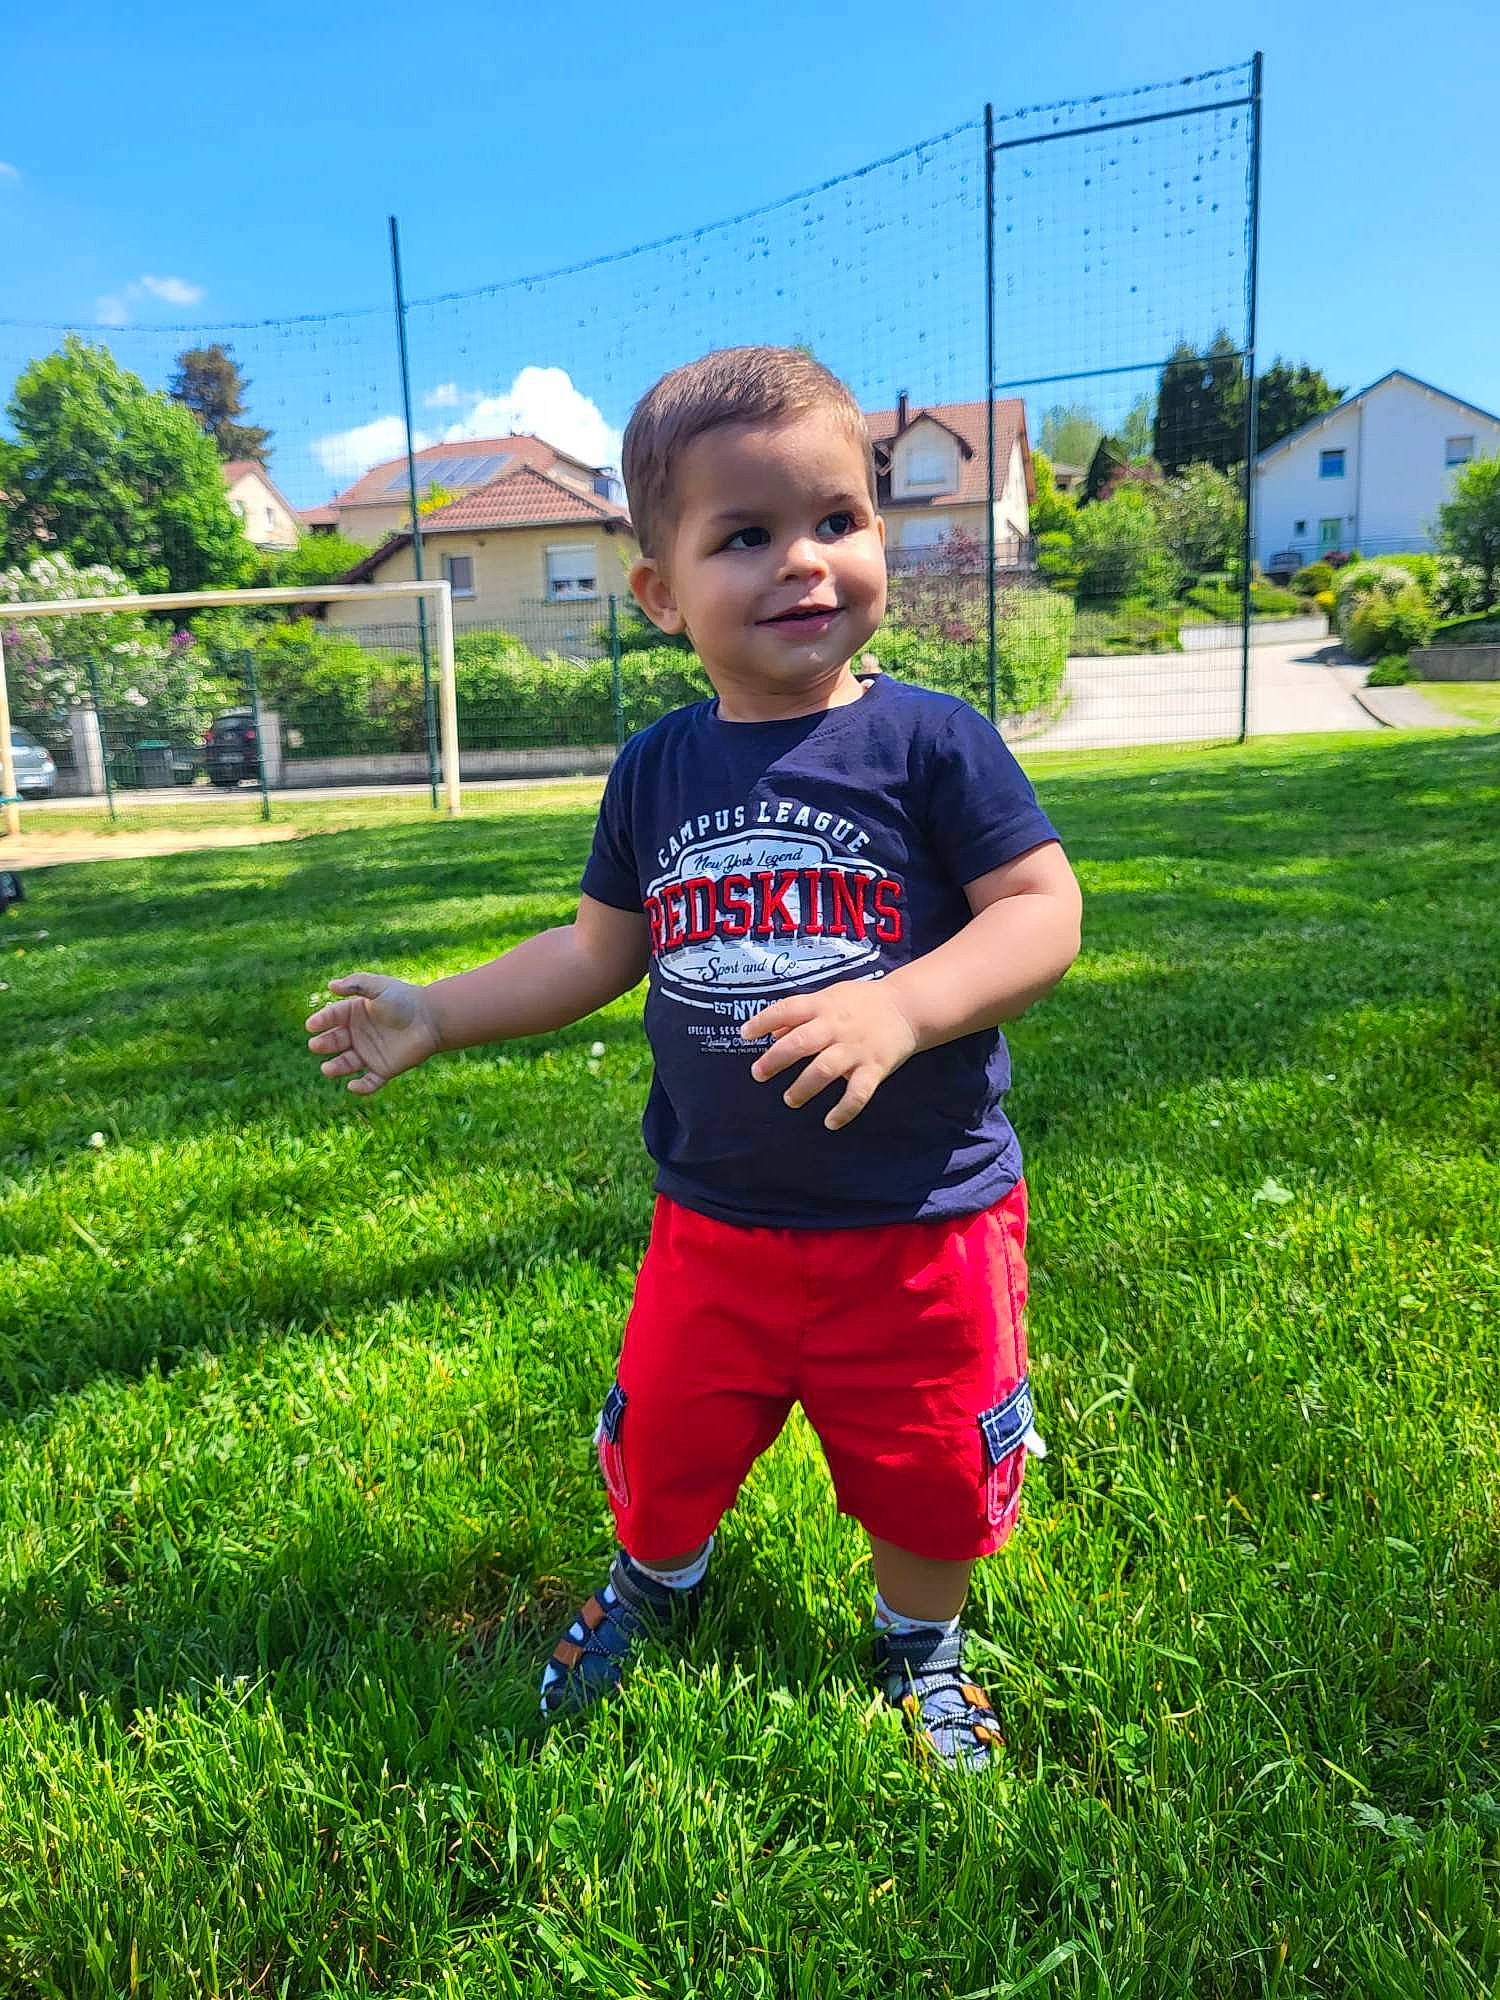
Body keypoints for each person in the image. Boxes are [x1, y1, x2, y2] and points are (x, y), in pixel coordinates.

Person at [305, 347, 1081, 1769]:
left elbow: (1043, 913)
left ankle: (924, 1641)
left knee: (923, 1470)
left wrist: (905, 1007)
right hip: (714, 1223)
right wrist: (441, 1010)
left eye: (838, 521)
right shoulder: (658, 770)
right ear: (659, 594)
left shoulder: (932, 744)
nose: (805, 562)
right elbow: (595, 952)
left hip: (921, 1225)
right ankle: (656, 1584)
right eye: (746, 535)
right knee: (661, 1444)